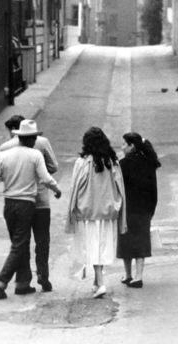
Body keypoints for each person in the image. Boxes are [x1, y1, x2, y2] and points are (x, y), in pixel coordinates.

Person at [0, 119, 62, 299]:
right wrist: (57, 189)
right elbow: (46, 177)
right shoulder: (36, 153)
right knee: (33, 242)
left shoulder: (4, 152)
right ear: (31, 138)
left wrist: (9, 178)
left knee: (19, 243)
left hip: (9, 202)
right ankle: (2, 280)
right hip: (30, 202)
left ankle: (22, 282)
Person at [66, 127, 126, 299]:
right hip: (107, 213)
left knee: (91, 247)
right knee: (101, 247)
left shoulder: (82, 163)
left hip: (88, 212)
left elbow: (74, 187)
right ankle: (97, 282)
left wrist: (72, 210)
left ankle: (100, 282)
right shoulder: (112, 162)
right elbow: (120, 187)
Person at [117, 132, 161, 288]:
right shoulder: (149, 162)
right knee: (141, 241)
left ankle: (128, 274)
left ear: (131, 146)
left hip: (127, 208)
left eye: (124, 144)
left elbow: (118, 189)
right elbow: (153, 189)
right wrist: (151, 208)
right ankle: (139, 276)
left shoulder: (123, 165)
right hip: (144, 209)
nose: (121, 147)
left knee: (126, 242)